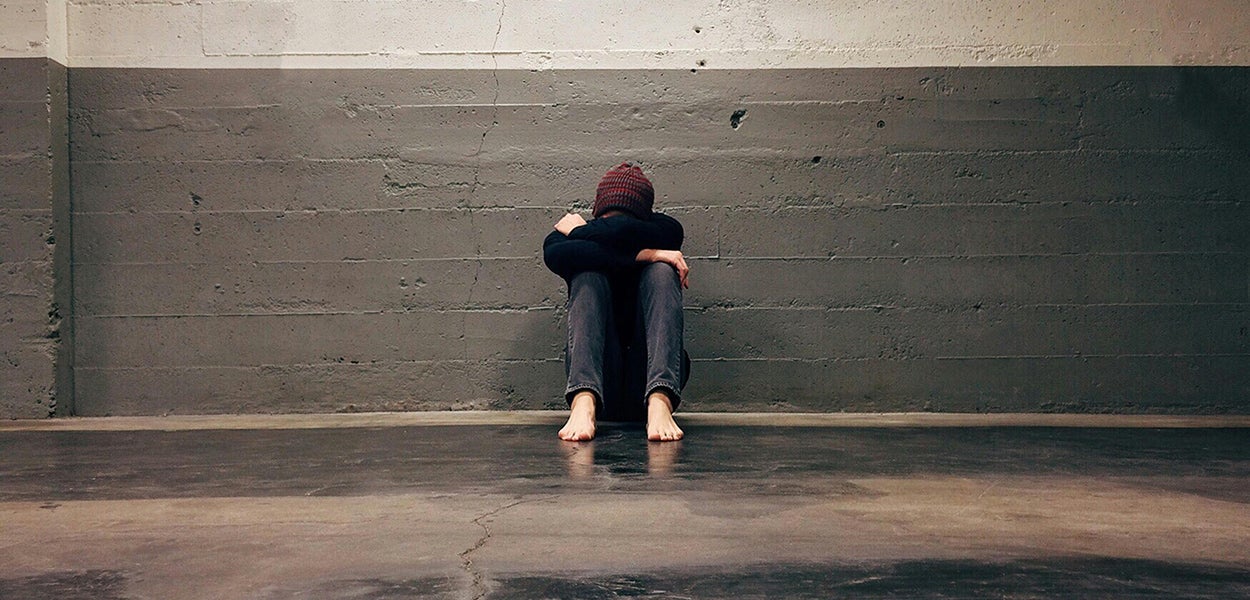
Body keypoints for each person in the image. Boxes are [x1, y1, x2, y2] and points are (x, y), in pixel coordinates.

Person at [543, 163, 691, 442]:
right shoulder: (563, 241)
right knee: (587, 273)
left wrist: (583, 231)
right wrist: (646, 253)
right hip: (601, 382)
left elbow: (625, 231)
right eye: (607, 218)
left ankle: (660, 400)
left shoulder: (665, 229)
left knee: (662, 271)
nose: (615, 224)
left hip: (647, 377)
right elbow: (555, 254)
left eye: (625, 218)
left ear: (644, 221)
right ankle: (582, 401)